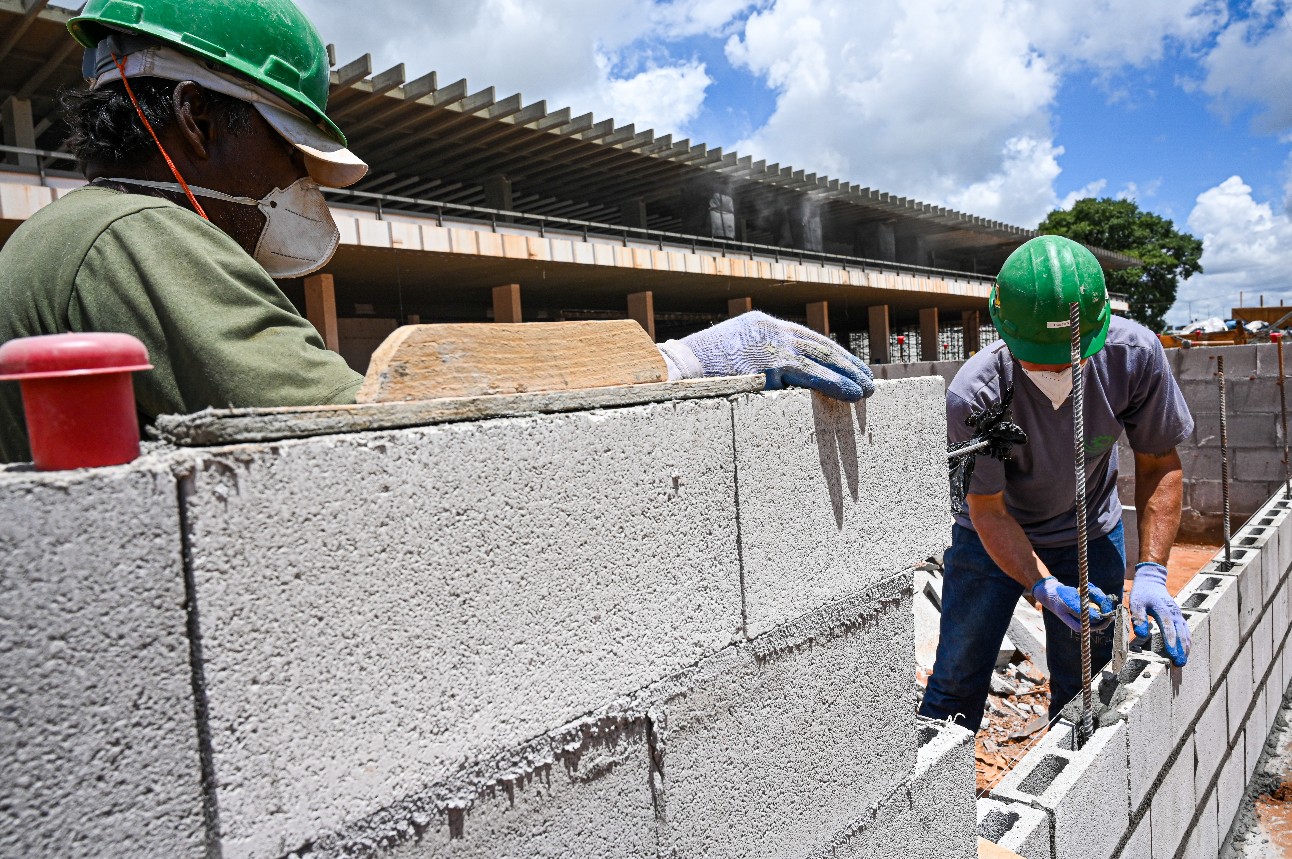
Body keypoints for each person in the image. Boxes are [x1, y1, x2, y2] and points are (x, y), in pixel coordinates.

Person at [0, 0, 874, 465]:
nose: (299, 187)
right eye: (290, 153)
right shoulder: (138, 239)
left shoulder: (66, 235)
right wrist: (681, 365)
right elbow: (378, 436)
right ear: (195, 119)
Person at [919, 234, 1194, 732]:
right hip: (990, 541)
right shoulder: (975, 394)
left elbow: (1159, 464)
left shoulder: (1133, 357)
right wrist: (1041, 584)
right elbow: (988, 509)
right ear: (1003, 329)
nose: (1056, 372)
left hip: (1088, 532)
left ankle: (1082, 803)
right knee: (956, 682)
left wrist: (1152, 569)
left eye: (1069, 358)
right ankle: (935, 807)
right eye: (1039, 360)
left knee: (1085, 688)